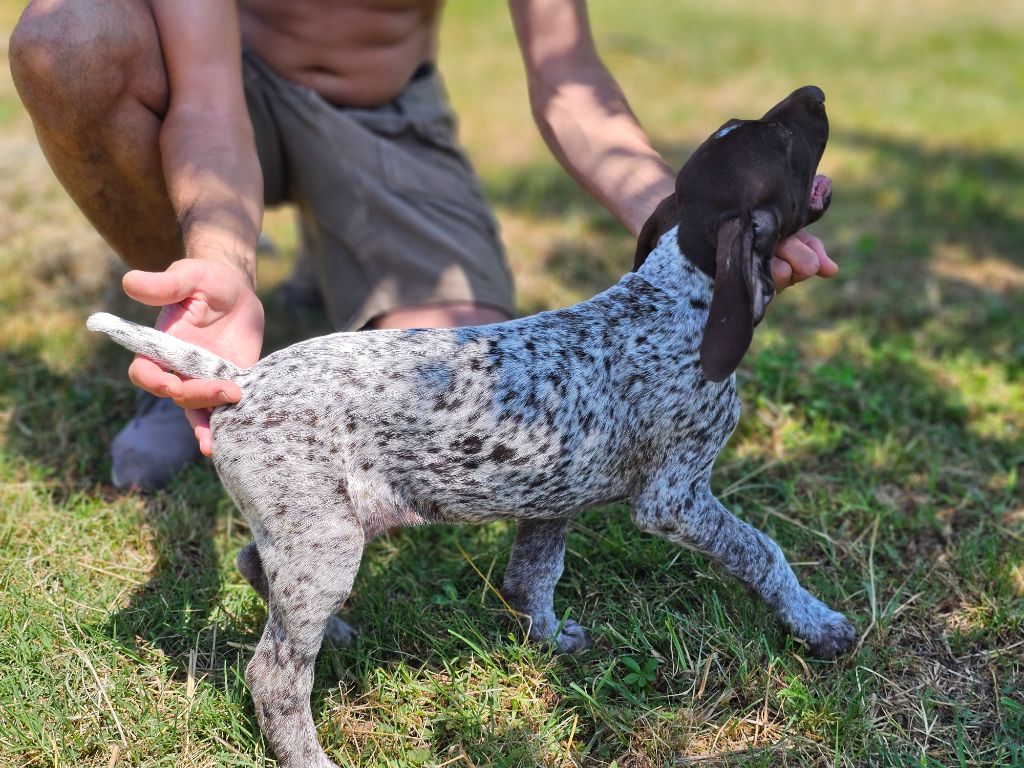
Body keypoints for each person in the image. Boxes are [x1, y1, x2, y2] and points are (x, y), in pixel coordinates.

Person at [9, 0, 837, 490]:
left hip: (381, 119)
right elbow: (207, 101)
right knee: (70, 38)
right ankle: (191, 341)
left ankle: (335, 260)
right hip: (220, 96)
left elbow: (568, 78)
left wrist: (684, 217)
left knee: (459, 410)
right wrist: (222, 260)